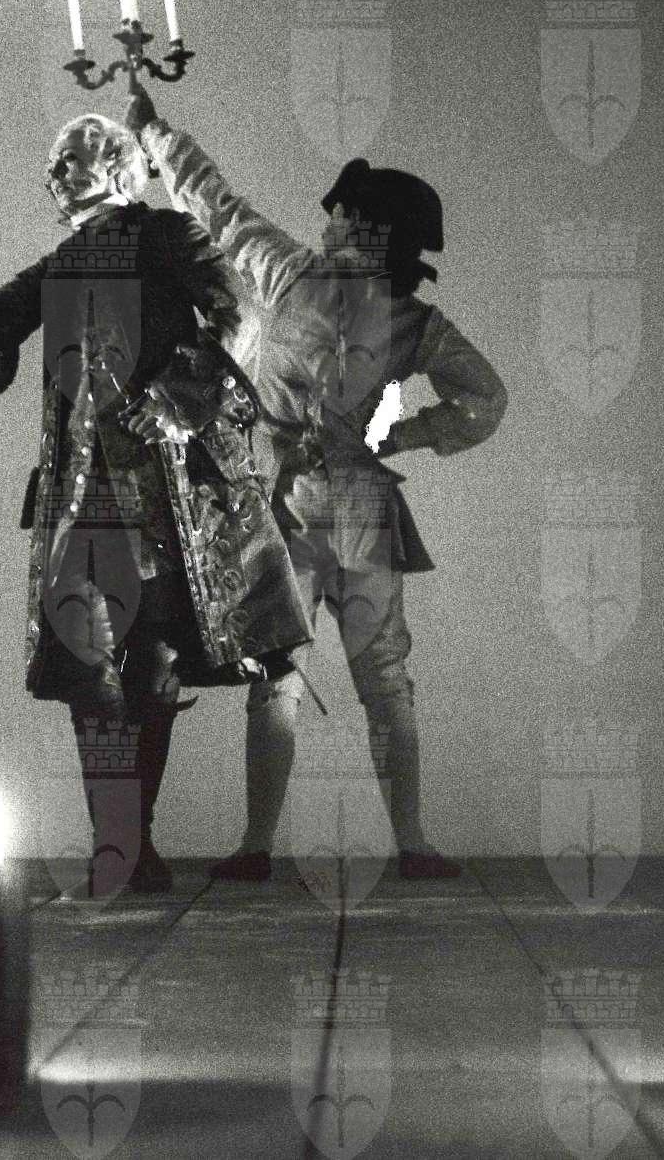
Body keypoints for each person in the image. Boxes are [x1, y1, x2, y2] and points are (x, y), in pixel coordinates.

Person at [0, 110, 311, 895]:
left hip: (165, 484)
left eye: (72, 157)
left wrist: (180, 397)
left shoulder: (167, 233)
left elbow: (240, 309)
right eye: (52, 160)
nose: (55, 171)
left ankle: (130, 847)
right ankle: (120, 841)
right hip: (80, 486)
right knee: (86, 660)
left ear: (116, 165)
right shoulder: (63, 261)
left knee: (153, 657)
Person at [126, 81, 506, 880]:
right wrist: (400, 434)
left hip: (288, 509)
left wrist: (155, 132)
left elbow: (216, 205)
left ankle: (260, 848)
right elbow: (485, 399)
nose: (327, 219)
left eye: (340, 212)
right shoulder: (410, 319)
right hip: (358, 510)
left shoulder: (290, 275)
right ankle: (407, 844)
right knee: (382, 681)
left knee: (280, 680)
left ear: (364, 226)